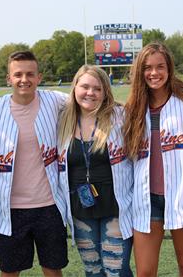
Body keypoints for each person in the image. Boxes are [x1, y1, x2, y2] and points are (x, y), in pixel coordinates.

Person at [0, 51, 68, 277]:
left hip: (49, 205)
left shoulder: (55, 100)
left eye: (30, 74)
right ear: (8, 78)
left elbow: (86, 99)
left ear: (39, 77)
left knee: (52, 269)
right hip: (11, 208)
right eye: (18, 74)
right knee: (10, 271)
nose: (24, 79)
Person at [123, 43, 183, 277]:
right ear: (139, 72)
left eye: (160, 67)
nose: (154, 73)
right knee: (145, 272)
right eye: (147, 68)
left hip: (182, 194)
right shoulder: (133, 108)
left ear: (169, 68)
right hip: (147, 199)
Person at [57, 65, 134, 277]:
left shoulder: (120, 116)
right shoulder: (63, 119)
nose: (90, 93)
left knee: (116, 270)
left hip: (116, 206)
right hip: (80, 207)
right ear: (74, 88)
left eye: (97, 89)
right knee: (92, 270)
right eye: (85, 87)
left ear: (105, 92)